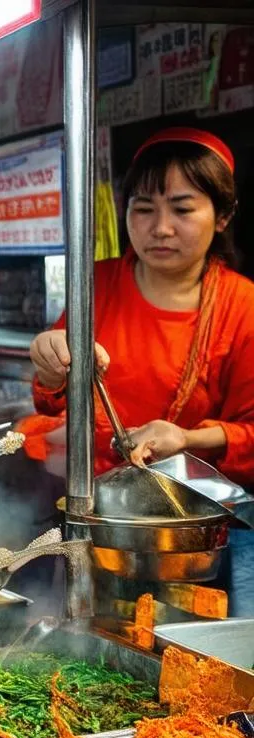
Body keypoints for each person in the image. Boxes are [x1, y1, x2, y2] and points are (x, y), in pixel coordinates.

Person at [25, 126, 254, 611]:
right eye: (144, 208)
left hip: (191, 541)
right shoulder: (97, 283)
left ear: (224, 215)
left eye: (182, 208)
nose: (161, 227)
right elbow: (53, 393)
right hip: (98, 522)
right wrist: (49, 365)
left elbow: (251, 433)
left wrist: (186, 440)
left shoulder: (243, 305)